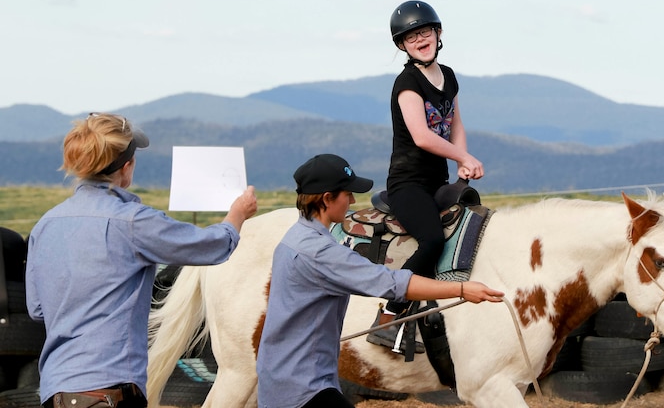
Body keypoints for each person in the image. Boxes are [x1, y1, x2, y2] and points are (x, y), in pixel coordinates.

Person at [26, 112, 258, 408]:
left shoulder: (45, 225)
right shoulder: (132, 222)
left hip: (55, 392)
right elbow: (212, 246)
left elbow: (36, 308)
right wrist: (237, 214)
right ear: (127, 165)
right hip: (110, 393)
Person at [256, 153, 503, 408]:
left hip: (291, 380)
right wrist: (461, 289)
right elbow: (393, 284)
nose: (352, 200)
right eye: (347, 194)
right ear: (327, 198)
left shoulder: (295, 237)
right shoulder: (319, 252)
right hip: (302, 389)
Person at [367, 0, 484, 350]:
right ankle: (390, 311)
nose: (420, 39)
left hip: (437, 180)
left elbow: (455, 124)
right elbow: (421, 135)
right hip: (408, 183)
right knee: (432, 239)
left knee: (474, 222)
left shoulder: (447, 76)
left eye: (425, 31)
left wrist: (461, 164)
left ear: (438, 32)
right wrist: (462, 155)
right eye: (411, 36)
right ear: (402, 45)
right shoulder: (407, 83)